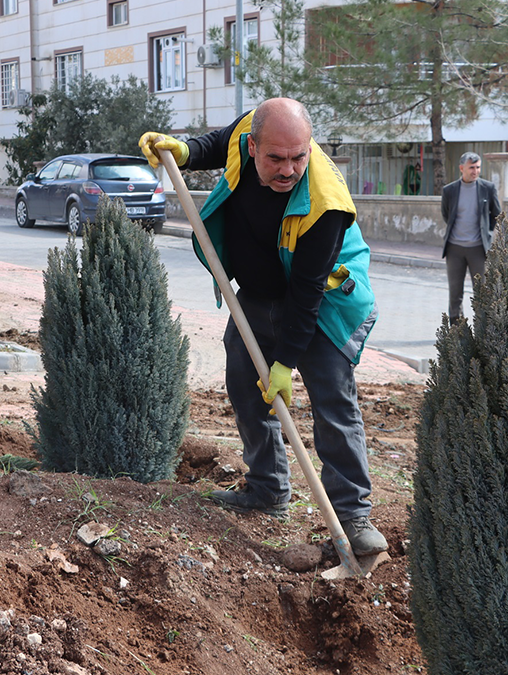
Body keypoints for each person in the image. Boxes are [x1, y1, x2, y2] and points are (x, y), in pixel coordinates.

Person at [138, 98, 387, 557]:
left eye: (299, 156)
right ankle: (268, 488)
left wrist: (285, 363)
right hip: (255, 294)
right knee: (244, 387)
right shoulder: (245, 132)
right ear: (253, 146)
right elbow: (218, 144)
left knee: (333, 400)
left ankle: (353, 516)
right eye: (276, 158)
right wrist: (186, 151)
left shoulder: (327, 203)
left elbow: (307, 292)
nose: (289, 169)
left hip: (322, 302)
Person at [439, 152, 501, 324]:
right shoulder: (449, 190)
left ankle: (482, 328)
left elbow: (496, 214)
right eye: (471, 167)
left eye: (478, 167)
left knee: (481, 292)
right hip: (454, 249)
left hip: (478, 249)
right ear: (462, 168)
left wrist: (486, 233)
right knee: (455, 293)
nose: (475, 171)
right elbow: (446, 214)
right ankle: (457, 331)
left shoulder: (487, 188)